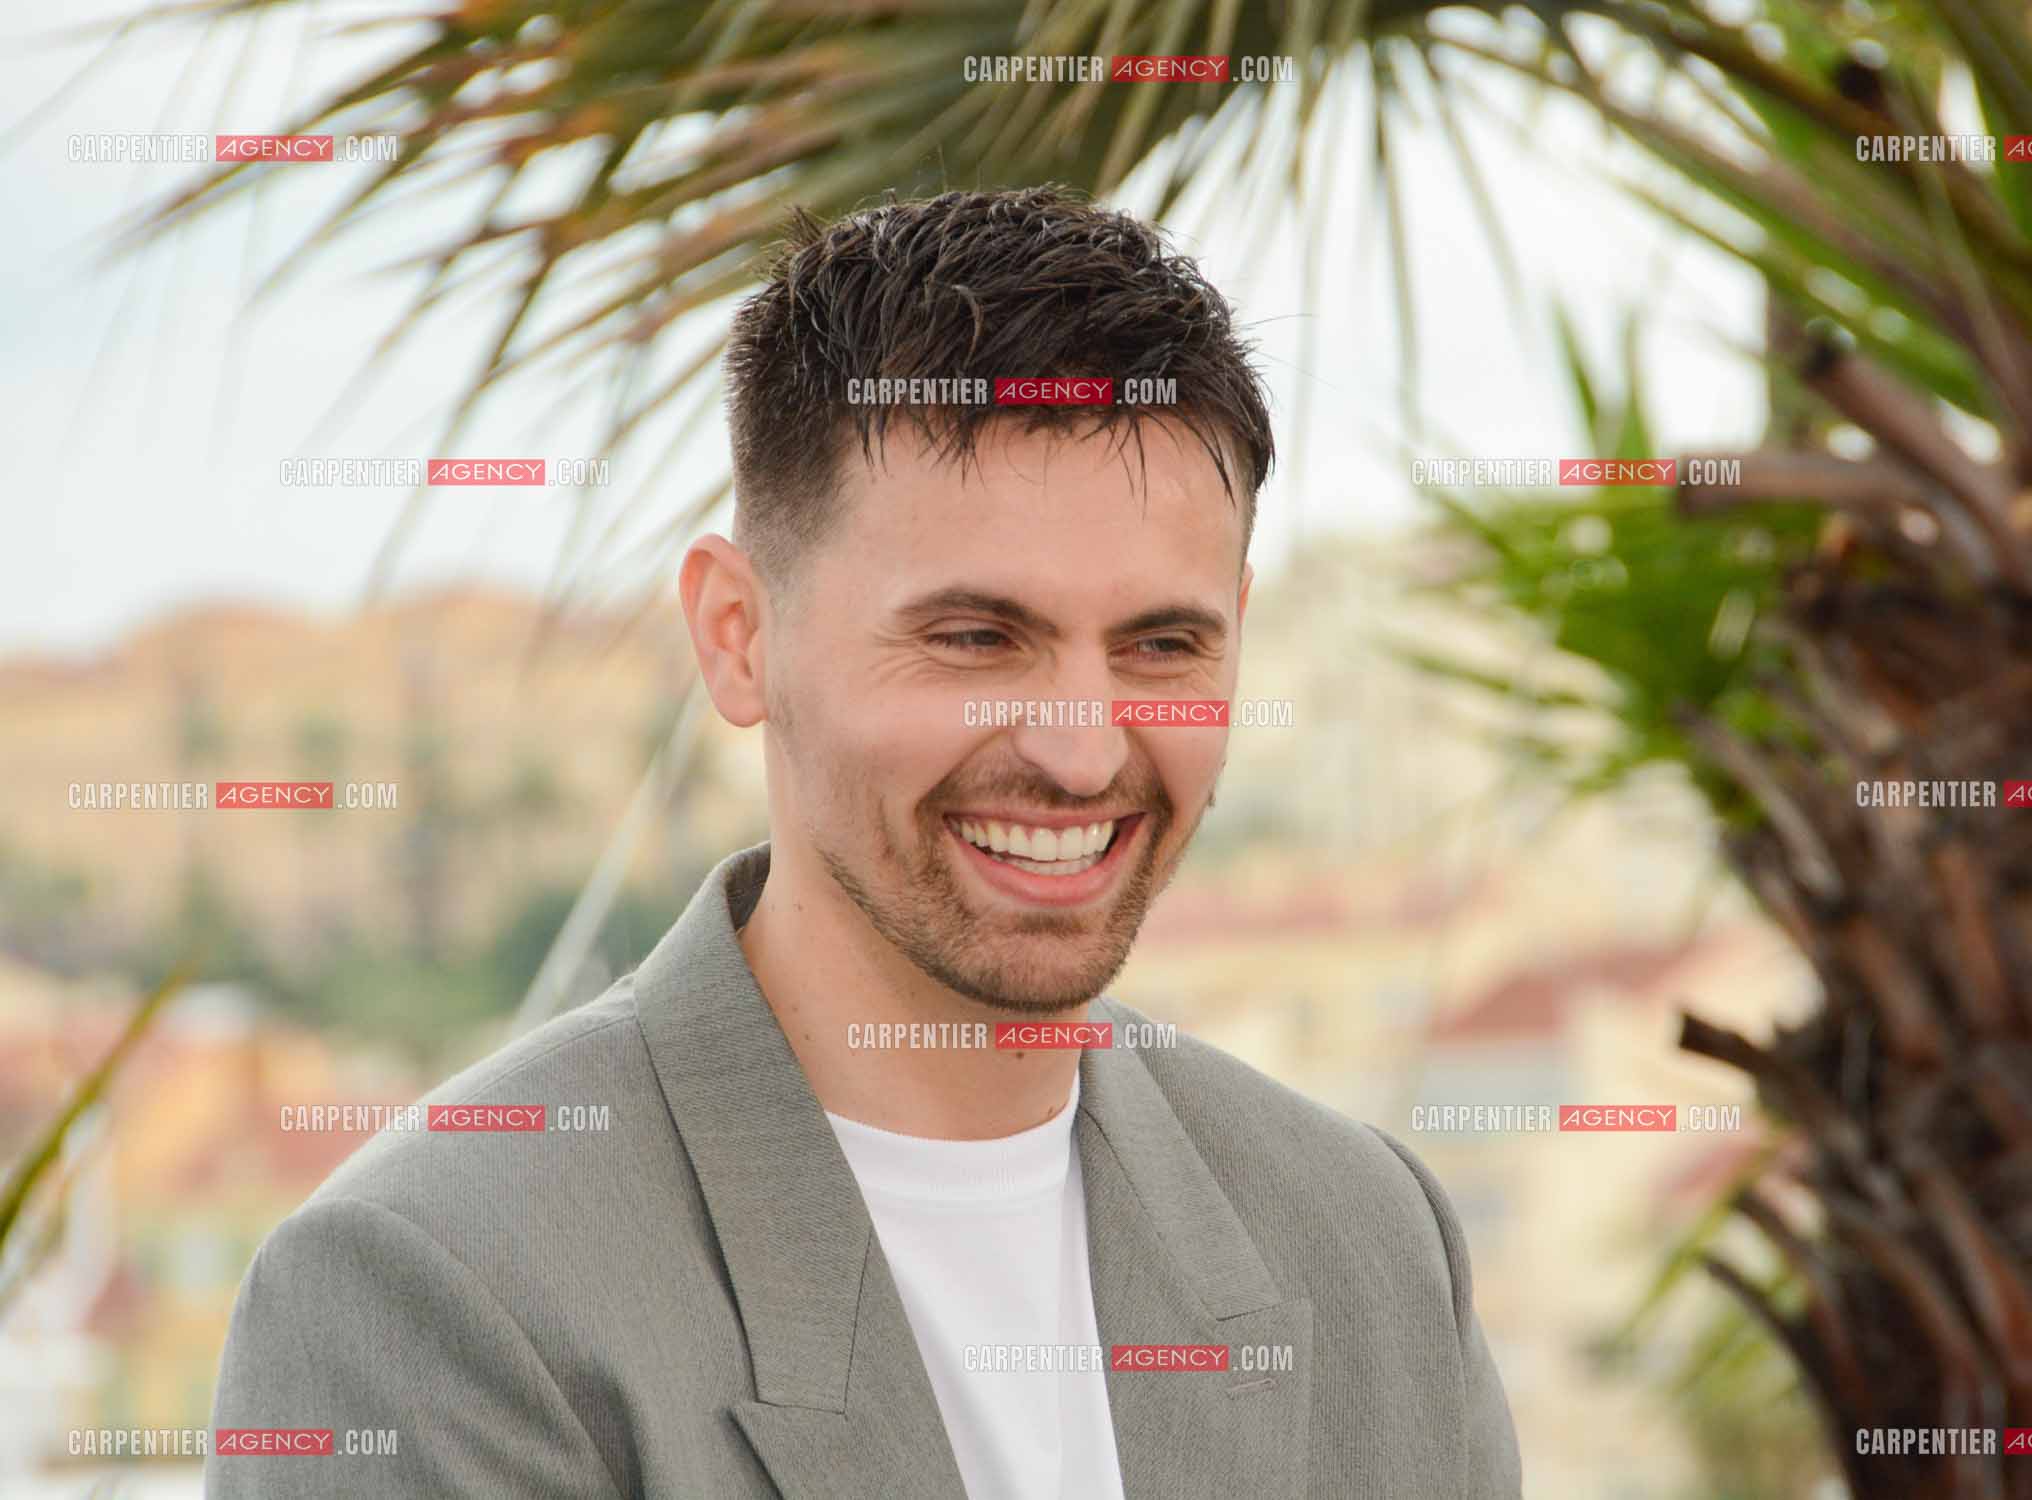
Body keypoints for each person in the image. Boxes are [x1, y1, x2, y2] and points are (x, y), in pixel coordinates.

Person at [209, 185, 1523, 1499]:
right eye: (972, 639)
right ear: (738, 635)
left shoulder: (1369, 1243)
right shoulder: (433, 1289)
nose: (1080, 749)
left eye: (1161, 645)